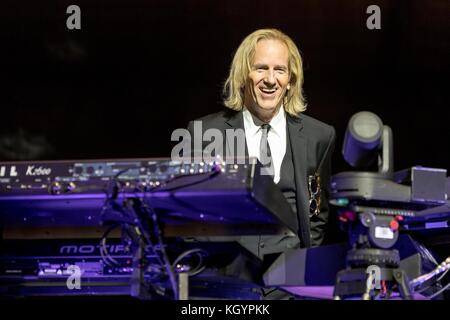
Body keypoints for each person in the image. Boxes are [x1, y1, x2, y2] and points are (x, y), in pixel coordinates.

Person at [186, 28, 336, 298]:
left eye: (280, 70)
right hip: (225, 285)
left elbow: (317, 214)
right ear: (244, 75)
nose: (270, 79)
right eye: (260, 68)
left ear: (291, 79)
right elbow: (188, 217)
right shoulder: (203, 133)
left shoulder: (319, 136)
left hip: (290, 287)